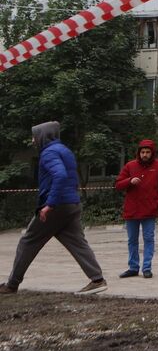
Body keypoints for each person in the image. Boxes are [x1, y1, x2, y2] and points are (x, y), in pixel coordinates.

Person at [0, 122, 107, 296]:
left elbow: (60, 175)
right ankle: (97, 280)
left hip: (57, 207)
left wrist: (50, 204)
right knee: (78, 243)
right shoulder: (64, 150)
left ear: (43, 136)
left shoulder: (49, 153)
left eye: (35, 136)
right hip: (72, 203)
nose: (33, 140)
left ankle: (12, 285)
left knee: (27, 242)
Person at [114, 139, 158, 279]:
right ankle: (133, 267)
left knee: (148, 239)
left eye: (147, 152)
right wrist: (130, 181)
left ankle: (146, 267)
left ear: (152, 153)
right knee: (132, 240)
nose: (145, 154)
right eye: (142, 152)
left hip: (149, 209)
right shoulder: (130, 166)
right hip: (132, 209)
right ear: (138, 153)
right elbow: (118, 184)